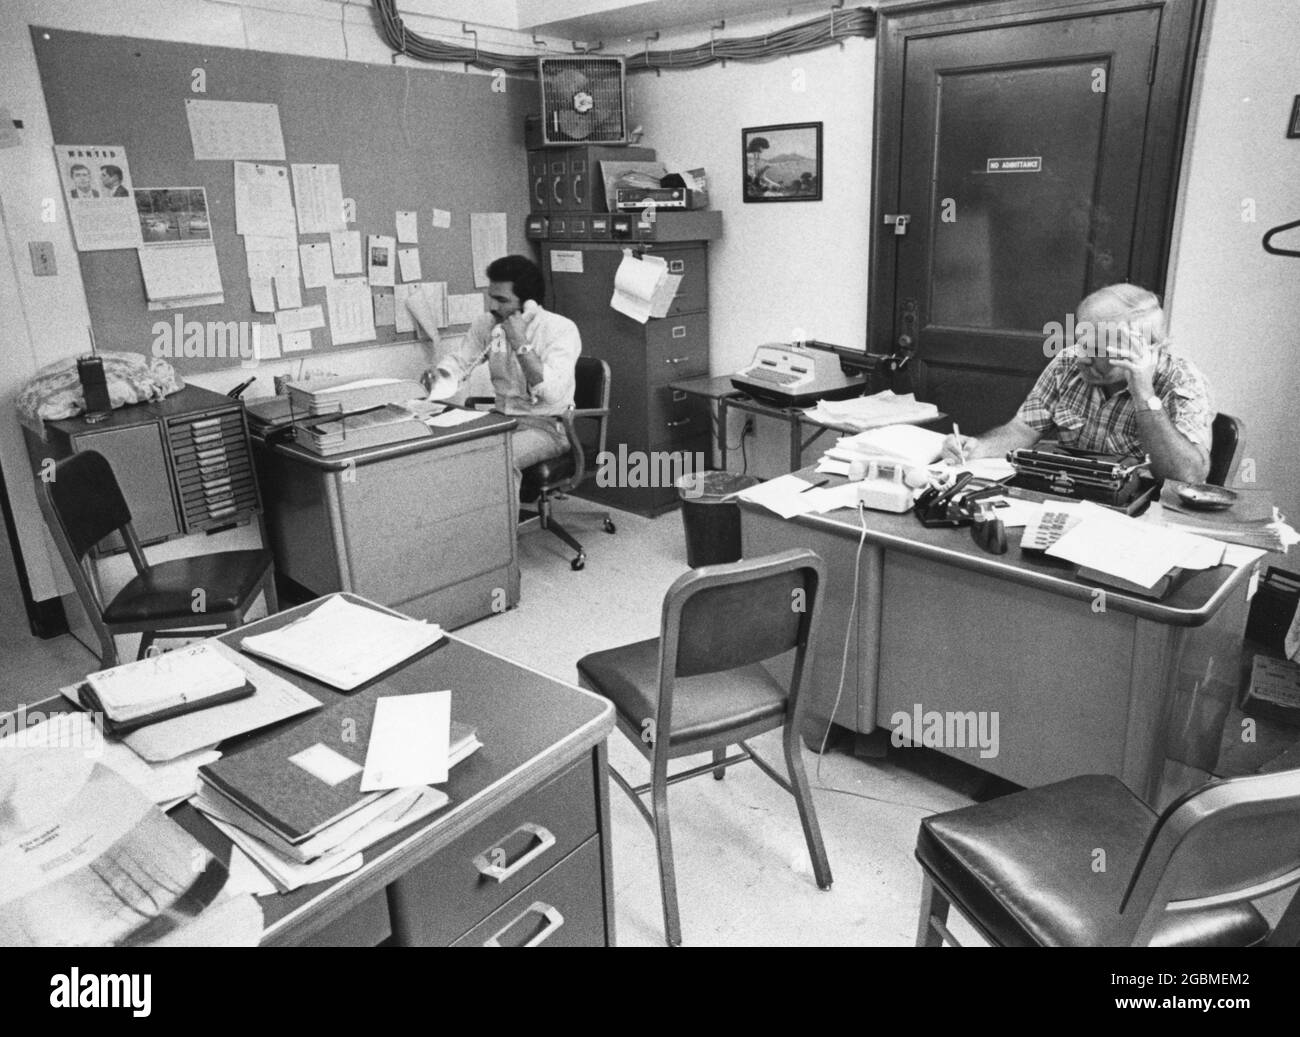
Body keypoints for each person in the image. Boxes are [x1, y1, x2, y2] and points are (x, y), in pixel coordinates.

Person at [941, 283, 1213, 482]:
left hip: (1141, 519)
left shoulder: (1181, 381)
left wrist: (1145, 396)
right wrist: (977, 448)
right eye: (1082, 342)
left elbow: (1187, 477)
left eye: (1097, 352)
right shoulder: (1068, 362)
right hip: (1071, 496)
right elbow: (1022, 431)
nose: (1081, 357)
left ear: (1142, 353)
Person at [414, 254, 580, 493]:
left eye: (502, 300)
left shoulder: (560, 329)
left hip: (546, 428)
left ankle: (501, 530)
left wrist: (520, 341)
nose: (493, 306)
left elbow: (551, 393)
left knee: (499, 460)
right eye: (491, 297)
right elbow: (461, 361)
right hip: (501, 420)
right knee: (450, 451)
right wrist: (441, 375)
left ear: (528, 304)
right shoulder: (488, 324)